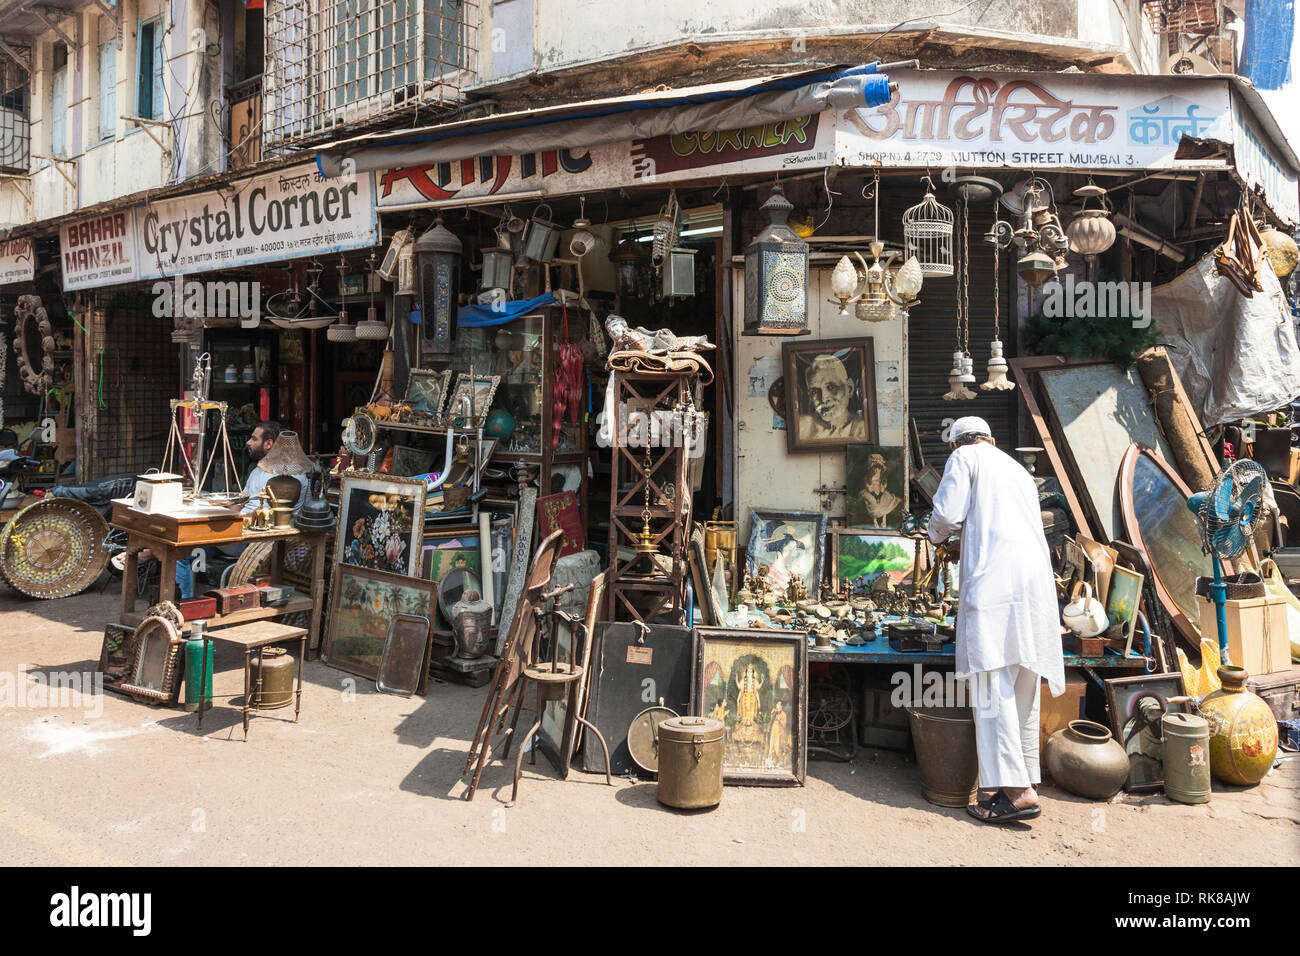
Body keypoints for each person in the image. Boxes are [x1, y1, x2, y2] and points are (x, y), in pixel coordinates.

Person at [926, 416, 1063, 825]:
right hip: (1034, 586)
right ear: (992, 438)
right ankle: (1019, 783)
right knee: (1022, 683)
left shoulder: (964, 458)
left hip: (995, 586)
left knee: (990, 683)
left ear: (956, 444)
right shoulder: (1015, 468)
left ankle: (1017, 792)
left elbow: (946, 515)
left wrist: (935, 536)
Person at [798, 354, 865, 440]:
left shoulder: (862, 430)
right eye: (814, 391)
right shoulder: (802, 428)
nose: (823, 398)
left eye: (831, 387)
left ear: (849, 389)